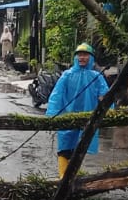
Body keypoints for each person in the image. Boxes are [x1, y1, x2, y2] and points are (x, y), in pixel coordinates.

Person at [46, 43, 111, 179]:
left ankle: (71, 177)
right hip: (66, 117)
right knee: (64, 149)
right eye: (79, 55)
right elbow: (56, 96)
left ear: (91, 58)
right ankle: (63, 179)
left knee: (79, 149)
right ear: (75, 57)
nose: (82, 57)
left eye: (85, 55)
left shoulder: (96, 77)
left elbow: (105, 95)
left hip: (88, 119)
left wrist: (106, 106)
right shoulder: (67, 75)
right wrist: (52, 115)